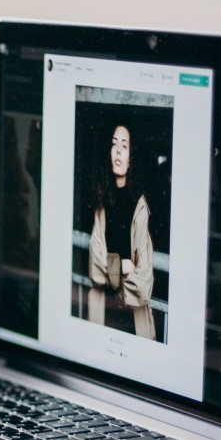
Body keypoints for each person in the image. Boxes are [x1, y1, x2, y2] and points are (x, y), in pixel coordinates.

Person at [86, 122, 156, 339]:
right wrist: (122, 265)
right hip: (102, 317)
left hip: (133, 324)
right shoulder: (101, 203)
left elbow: (144, 285)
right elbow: (94, 269)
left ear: (131, 156)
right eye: (114, 144)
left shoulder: (140, 207)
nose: (117, 151)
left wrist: (112, 280)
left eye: (124, 146)